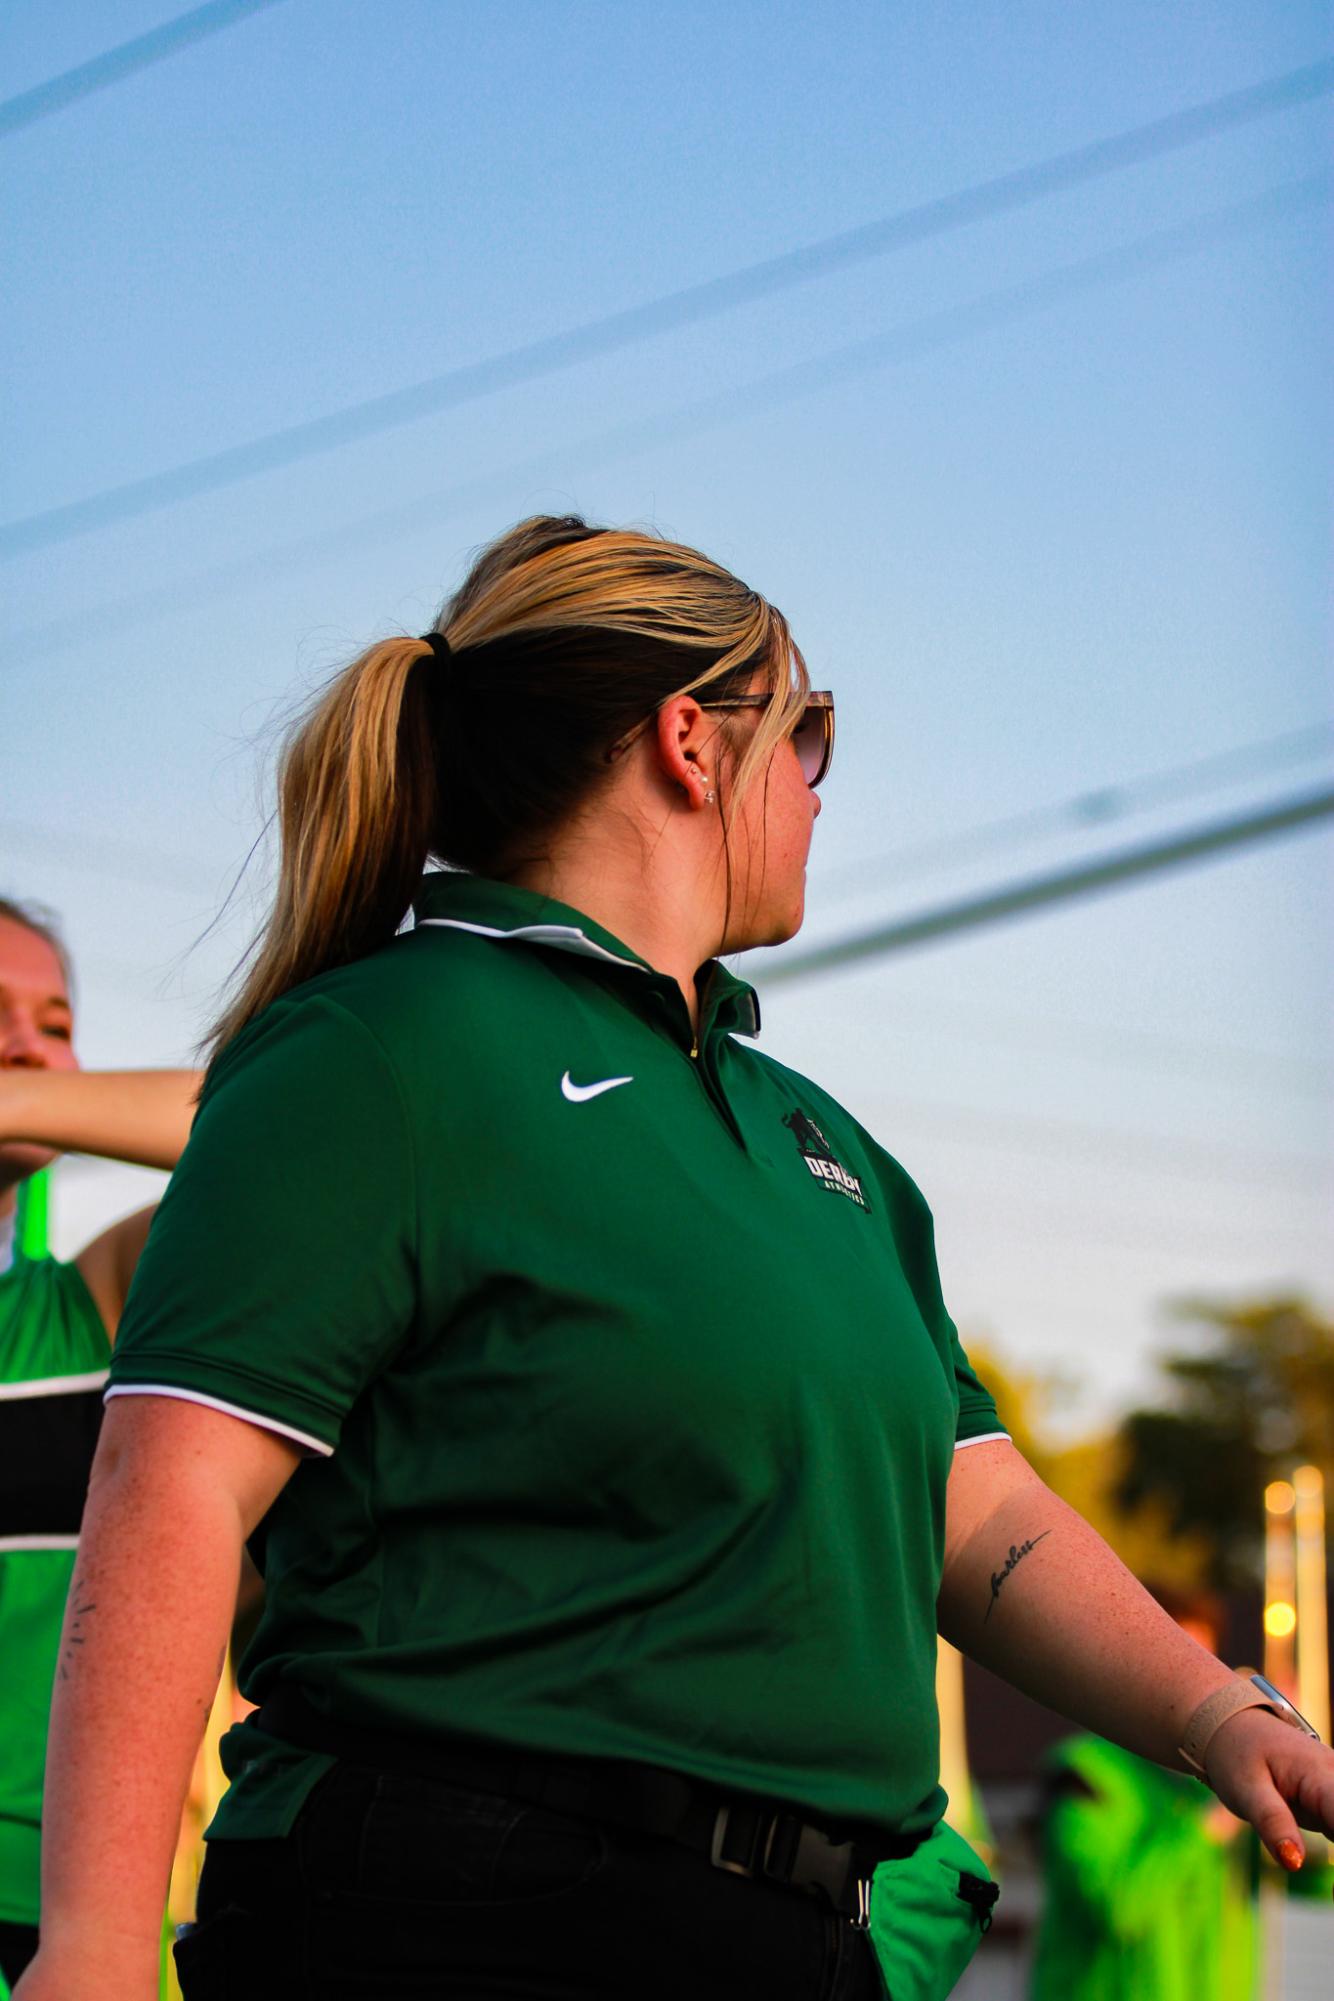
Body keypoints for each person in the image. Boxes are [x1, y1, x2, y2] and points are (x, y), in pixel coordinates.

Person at [15, 519, 1334, 2001]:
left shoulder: (822, 1149)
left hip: (793, 1939)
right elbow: (172, 1483)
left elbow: (978, 1514)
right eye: (808, 730)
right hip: (463, 1918)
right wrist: (101, 1951)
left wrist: (1216, 1717)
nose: (821, 791)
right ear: (691, 744)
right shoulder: (378, 1051)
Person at [0, 899, 199, 1994]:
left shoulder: (97, 1303)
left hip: (56, 1936)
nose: (30, 1042)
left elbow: (279, 1116)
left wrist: (17, 1097)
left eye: (56, 1022)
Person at [1030, 1589, 1259, 2001]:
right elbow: (1118, 1907)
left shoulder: (1210, 1777)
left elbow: (1308, 1880)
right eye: (1179, 1664)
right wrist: (1211, 1823)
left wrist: (1296, 1798)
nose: (1197, 1686)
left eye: (1204, 1664)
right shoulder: (1084, 1774)